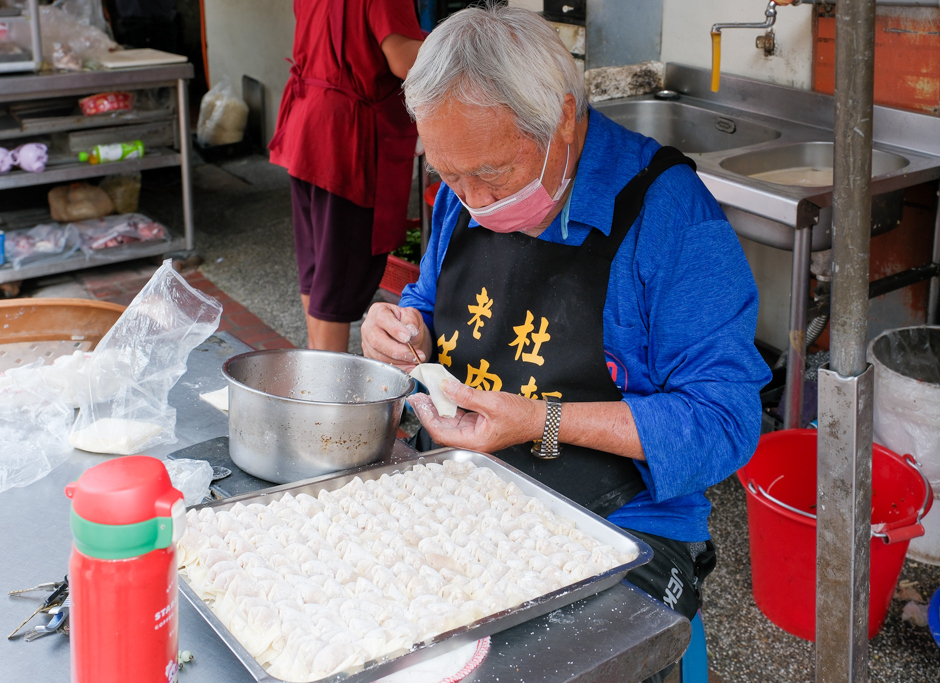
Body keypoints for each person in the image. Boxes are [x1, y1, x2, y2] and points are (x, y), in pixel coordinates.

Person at [361, 5, 771, 681]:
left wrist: (541, 419)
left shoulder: (669, 218)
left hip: (622, 524)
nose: (469, 199)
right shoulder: (458, 197)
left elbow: (724, 424)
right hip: (465, 484)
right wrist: (404, 329)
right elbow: (428, 302)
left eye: (489, 174)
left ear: (562, 121)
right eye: (449, 174)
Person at [269, 0, 424, 352]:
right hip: (346, 142)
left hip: (308, 127)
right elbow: (404, 61)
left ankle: (317, 369)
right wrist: (459, 41)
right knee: (336, 278)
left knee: (317, 268)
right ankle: (327, 388)